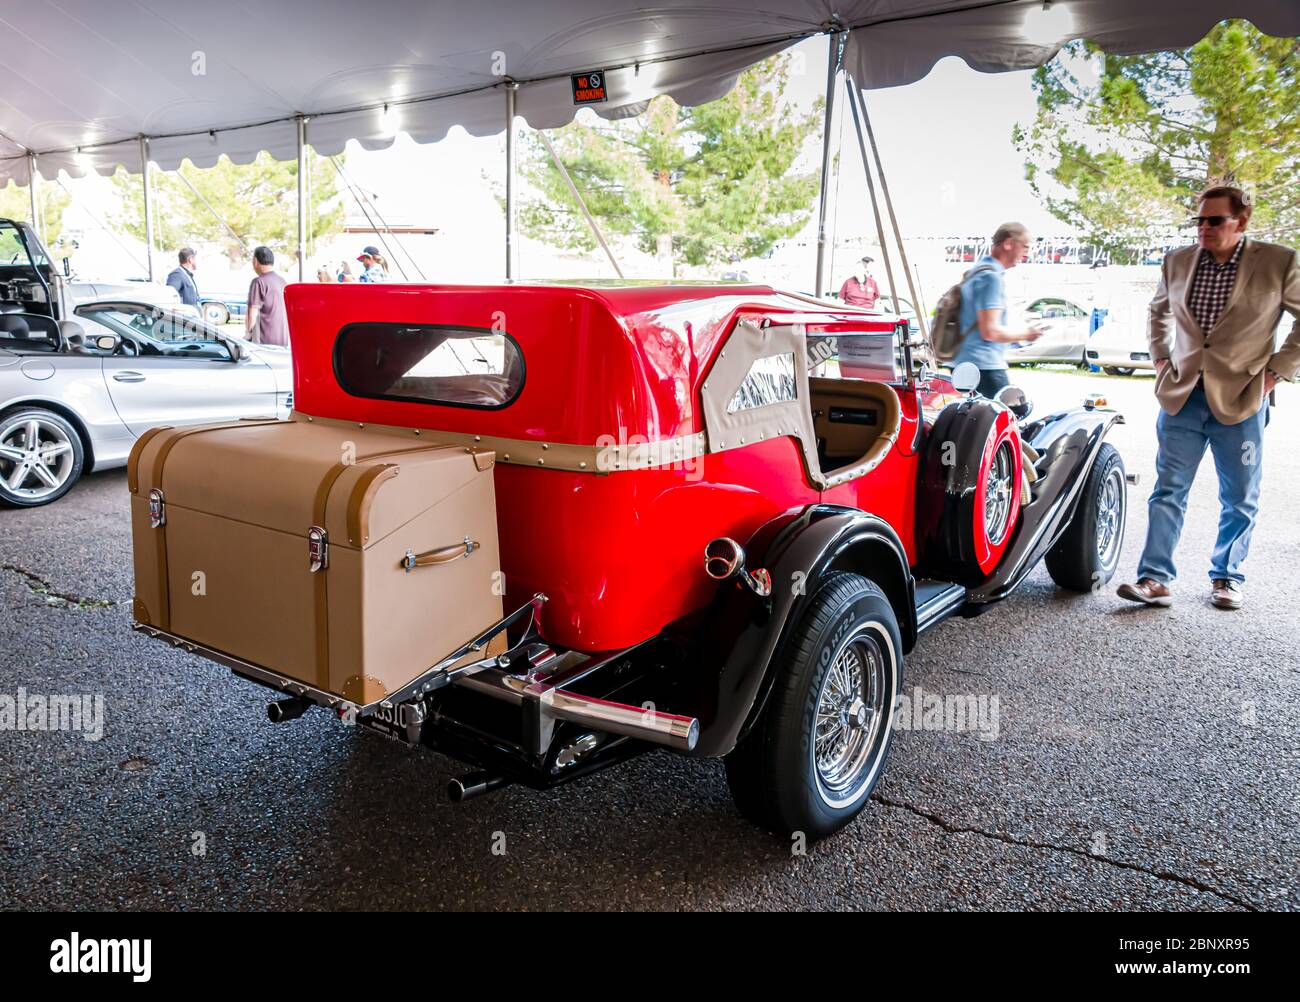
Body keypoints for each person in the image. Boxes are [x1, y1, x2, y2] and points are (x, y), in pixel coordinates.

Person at [1117, 186, 1300, 611]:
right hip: (1182, 396)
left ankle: (1227, 577)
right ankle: (1155, 579)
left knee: (1239, 496)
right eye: (1199, 220)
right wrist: (1161, 360)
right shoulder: (1178, 260)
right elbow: (1157, 310)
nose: (1204, 227)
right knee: (1168, 490)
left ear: (1242, 222)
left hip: (1243, 398)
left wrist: (1274, 374)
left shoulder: (1278, 261)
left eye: (1215, 220)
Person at [952, 222, 1043, 398]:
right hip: (985, 365)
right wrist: (1026, 334)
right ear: (1008, 243)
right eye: (1024, 247)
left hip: (964, 362)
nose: (1027, 253)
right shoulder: (991, 278)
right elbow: (990, 332)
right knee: (1006, 419)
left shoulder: (975, 272)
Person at [245, 246, 290, 347]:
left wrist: (248, 335)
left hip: (264, 343)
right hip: (282, 341)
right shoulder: (282, 281)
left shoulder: (258, 282)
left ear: (255, 261)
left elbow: (252, 313)